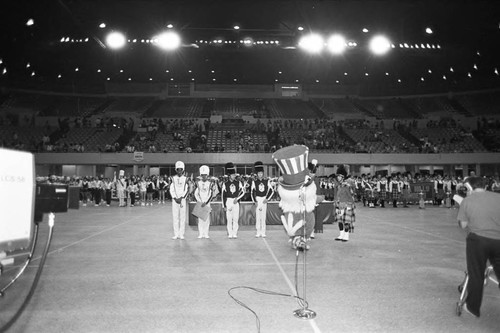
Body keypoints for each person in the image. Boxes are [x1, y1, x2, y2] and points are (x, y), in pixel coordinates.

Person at [457, 176, 500, 318]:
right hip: (498, 240)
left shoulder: (467, 201)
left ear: (469, 188)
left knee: (476, 274)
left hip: (478, 241)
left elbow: (463, 225)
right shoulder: (497, 197)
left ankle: (473, 308)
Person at [251, 161, 274, 238]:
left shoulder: (266, 181)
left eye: (261, 173)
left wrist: (267, 199)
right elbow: (252, 192)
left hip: (264, 199)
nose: (260, 174)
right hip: (258, 199)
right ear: (257, 174)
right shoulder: (254, 182)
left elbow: (272, 190)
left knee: (263, 216)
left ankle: (263, 232)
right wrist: (254, 201)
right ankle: (258, 231)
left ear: (263, 174)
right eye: (259, 173)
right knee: (258, 216)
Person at [222, 162, 245, 239]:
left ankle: (234, 233)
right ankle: (230, 233)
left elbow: (243, 192)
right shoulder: (225, 184)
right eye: (232, 175)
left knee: (235, 218)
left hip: (235, 201)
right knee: (229, 218)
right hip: (228, 201)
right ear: (229, 175)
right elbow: (223, 196)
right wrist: (224, 206)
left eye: (234, 175)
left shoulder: (238, 183)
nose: (234, 176)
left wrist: (237, 199)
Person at [169, 161, 189, 240]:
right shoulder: (173, 178)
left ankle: (181, 234)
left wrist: (181, 198)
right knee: (175, 217)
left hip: (182, 200)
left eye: (181, 169)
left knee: (182, 217)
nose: (179, 171)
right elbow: (171, 189)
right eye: (178, 169)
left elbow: (186, 189)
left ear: (183, 170)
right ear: (176, 170)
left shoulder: (185, 179)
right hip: (175, 200)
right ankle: (176, 234)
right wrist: (175, 198)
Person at [194, 165, 213, 239]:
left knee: (206, 219)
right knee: (200, 219)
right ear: (200, 175)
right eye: (202, 175)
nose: (204, 176)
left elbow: (211, 194)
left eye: (205, 175)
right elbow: (196, 194)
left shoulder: (210, 183)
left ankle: (206, 233)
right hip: (200, 203)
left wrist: (206, 202)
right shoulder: (198, 183)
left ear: (207, 175)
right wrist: (200, 201)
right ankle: (200, 233)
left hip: (207, 203)